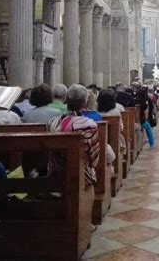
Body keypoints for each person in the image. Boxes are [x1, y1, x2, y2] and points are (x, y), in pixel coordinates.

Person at [47, 84, 101, 249]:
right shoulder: (89, 124)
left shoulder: (53, 122)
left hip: (55, 171)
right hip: (80, 173)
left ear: (66, 100)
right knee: (90, 172)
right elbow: (94, 156)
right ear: (85, 103)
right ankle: (86, 224)